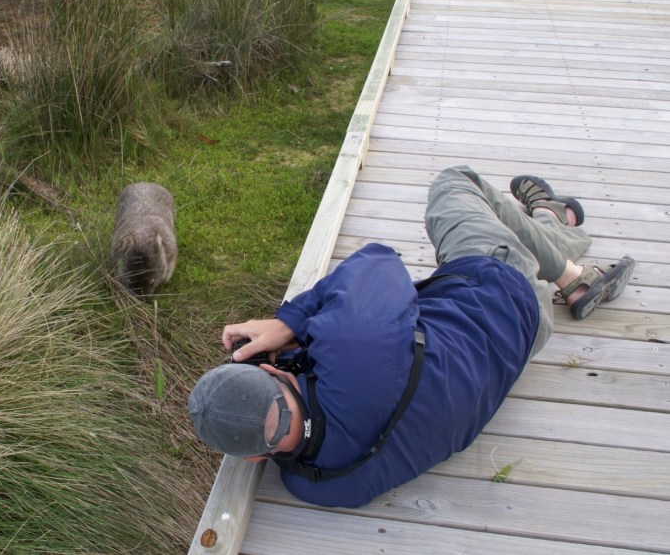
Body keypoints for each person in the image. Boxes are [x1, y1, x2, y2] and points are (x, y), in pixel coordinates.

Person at [188, 166, 635, 508]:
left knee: (505, 236)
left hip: (514, 352)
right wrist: (290, 323)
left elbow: (326, 420)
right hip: (498, 291)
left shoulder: (315, 485)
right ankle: (569, 268)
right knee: (455, 183)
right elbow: (378, 262)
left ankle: (554, 224)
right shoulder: (354, 346)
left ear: (253, 459)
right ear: (272, 370)